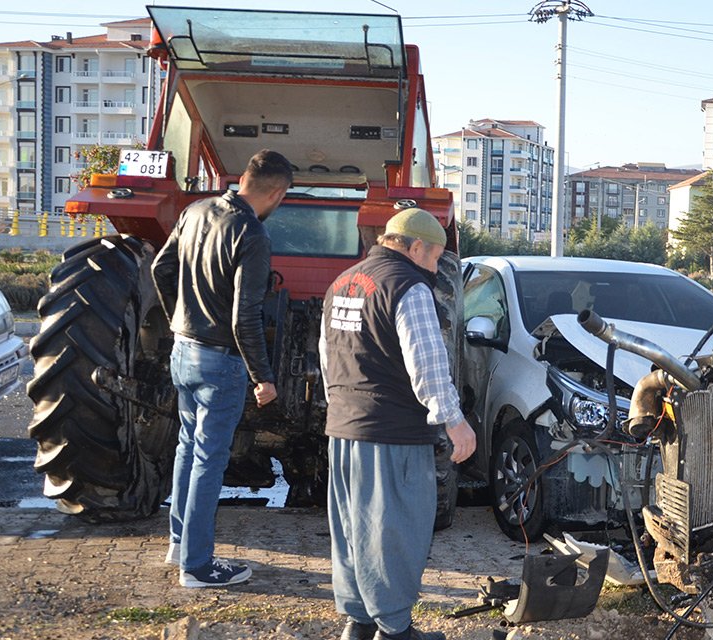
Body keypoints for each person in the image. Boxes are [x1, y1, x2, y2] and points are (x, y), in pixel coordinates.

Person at [319, 207, 476, 640]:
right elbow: (427, 362)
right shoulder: (408, 286)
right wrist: (453, 421)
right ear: (416, 246)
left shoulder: (342, 283)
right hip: (392, 435)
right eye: (433, 258)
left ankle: (360, 623)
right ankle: (395, 630)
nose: (433, 269)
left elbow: (327, 357)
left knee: (353, 531)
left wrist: (339, 408)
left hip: (344, 428)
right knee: (396, 531)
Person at [152, 149, 293, 588]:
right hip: (220, 362)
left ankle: (180, 543)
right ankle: (197, 567)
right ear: (277, 191)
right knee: (208, 460)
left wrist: (180, 319)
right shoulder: (251, 233)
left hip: (183, 350)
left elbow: (161, 267)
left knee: (187, 447)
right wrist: (263, 377)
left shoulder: (195, 210)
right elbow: (244, 317)